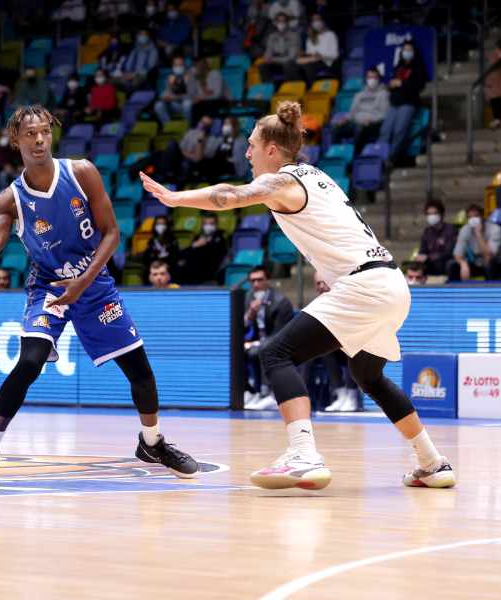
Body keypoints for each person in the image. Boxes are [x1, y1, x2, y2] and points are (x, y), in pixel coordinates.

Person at [140, 101, 456, 490]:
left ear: (272, 149)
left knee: (276, 354)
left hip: (365, 287)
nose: (247, 152)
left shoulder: (283, 181)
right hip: (390, 283)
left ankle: (303, 455)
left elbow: (231, 196)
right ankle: (431, 461)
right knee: (368, 375)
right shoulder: (316, 175)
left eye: (252, 145)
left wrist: (176, 198)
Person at [0, 104, 198, 485]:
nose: (39, 139)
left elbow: (111, 234)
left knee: (141, 373)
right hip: (48, 286)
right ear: (15, 140)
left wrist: (82, 283)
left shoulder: (82, 172)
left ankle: (152, 442)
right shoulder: (10, 199)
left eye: (44, 131)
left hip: (93, 284)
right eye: (30, 134)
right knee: (29, 363)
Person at [240, 265, 294, 411]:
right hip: (257, 341)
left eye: (259, 280)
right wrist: (250, 314)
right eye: (252, 281)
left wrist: (257, 343)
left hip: (277, 342)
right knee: (236, 350)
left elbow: (280, 333)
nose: (256, 284)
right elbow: (241, 327)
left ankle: (269, 394)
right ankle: (250, 391)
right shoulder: (248, 297)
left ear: (267, 280)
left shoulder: (281, 301)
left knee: (264, 349)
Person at [305, 272, 360, 412]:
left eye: (325, 282)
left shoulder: (347, 300)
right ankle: (341, 395)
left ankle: (352, 396)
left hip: (357, 346)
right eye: (318, 283)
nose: (322, 286)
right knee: (325, 351)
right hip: (334, 347)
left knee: (350, 348)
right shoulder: (315, 305)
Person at [379, 40, 427, 166]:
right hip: (395, 102)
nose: (407, 52)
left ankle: (391, 158)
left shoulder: (419, 67)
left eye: (409, 50)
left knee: (399, 131)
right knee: (385, 130)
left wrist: (402, 83)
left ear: (414, 52)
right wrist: (391, 85)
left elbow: (419, 86)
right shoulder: (398, 67)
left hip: (408, 103)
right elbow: (393, 84)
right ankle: (379, 158)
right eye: (405, 50)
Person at [330, 68, 388, 156]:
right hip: (355, 122)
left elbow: (383, 114)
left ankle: (354, 155)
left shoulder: (383, 94)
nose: (371, 80)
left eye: (374, 77)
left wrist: (372, 120)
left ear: (378, 79)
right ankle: (335, 154)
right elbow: (352, 112)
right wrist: (345, 119)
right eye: (369, 77)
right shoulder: (359, 94)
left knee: (359, 129)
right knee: (336, 128)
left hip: (372, 125)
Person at [447, 203, 501, 282]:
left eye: (476, 216)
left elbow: (489, 255)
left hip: (498, 264)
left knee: (488, 263)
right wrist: (463, 264)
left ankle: (490, 292)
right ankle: (456, 292)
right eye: (470, 217)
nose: (473, 220)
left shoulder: (495, 229)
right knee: (451, 265)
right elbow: (457, 254)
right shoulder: (465, 229)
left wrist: (478, 234)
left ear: (482, 217)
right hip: (477, 263)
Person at [176, 213, 227, 284]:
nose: (208, 226)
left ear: (216, 225)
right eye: (206, 224)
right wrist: (195, 245)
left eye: (211, 224)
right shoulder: (198, 237)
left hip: (210, 270)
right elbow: (184, 253)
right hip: (194, 270)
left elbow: (218, 257)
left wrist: (208, 244)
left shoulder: (220, 239)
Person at [415, 199, 457, 276]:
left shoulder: (450, 229)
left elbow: (450, 252)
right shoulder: (427, 232)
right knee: (415, 266)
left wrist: (429, 257)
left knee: (449, 264)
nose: (432, 216)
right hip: (430, 263)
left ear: (441, 214)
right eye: (429, 214)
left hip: (445, 262)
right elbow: (422, 250)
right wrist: (420, 257)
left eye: (434, 213)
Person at [296, 14, 339, 83]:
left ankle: (311, 87)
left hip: (326, 61)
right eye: (314, 20)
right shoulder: (310, 38)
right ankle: (297, 88)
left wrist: (321, 55)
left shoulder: (330, 35)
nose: (316, 22)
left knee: (308, 66)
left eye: (318, 20)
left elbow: (335, 55)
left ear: (323, 21)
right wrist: (303, 53)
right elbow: (309, 53)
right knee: (292, 65)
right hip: (312, 60)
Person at [259, 12, 300, 83]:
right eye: (279, 21)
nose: (281, 24)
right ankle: (269, 89)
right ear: (275, 23)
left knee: (287, 65)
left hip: (290, 62)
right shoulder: (272, 36)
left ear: (287, 23)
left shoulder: (293, 36)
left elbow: (291, 57)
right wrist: (267, 58)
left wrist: (273, 59)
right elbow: (268, 52)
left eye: (283, 21)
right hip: (276, 62)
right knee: (263, 66)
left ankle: (290, 87)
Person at [154, 56, 194, 125]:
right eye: (176, 65)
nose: (178, 67)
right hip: (173, 105)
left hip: (185, 105)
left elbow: (191, 95)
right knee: (158, 105)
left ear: (184, 66)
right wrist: (164, 97)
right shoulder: (170, 78)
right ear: (173, 66)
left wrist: (175, 97)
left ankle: (187, 127)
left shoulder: (189, 77)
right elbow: (165, 93)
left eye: (180, 65)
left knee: (187, 103)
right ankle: (169, 126)